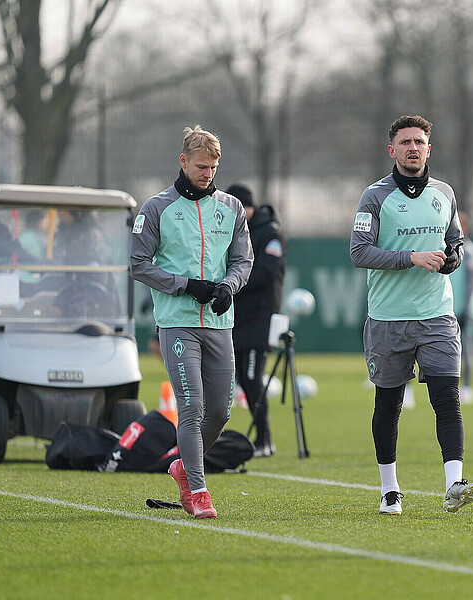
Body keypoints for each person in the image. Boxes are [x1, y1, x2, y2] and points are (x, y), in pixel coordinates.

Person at [350, 115, 473, 516]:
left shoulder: (445, 192)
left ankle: (454, 484)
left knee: (447, 398)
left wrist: (453, 258)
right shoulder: (374, 196)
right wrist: (411, 257)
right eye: (405, 142)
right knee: (388, 404)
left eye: (419, 142)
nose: (413, 148)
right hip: (388, 317)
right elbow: (359, 252)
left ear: (429, 149)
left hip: (438, 315)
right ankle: (390, 489)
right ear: (392, 150)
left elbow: (456, 241)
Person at [131, 125, 253, 519]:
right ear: (183, 161)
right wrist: (185, 286)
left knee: (220, 412)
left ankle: (183, 467)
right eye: (201, 166)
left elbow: (243, 260)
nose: (207, 173)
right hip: (177, 321)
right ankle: (198, 491)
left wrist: (228, 286)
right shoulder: (156, 208)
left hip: (220, 323)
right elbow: (138, 264)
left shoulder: (231, 208)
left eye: (213, 167)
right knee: (192, 406)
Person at [228, 183, 286, 458]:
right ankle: (261, 438)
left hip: (260, 319)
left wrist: (231, 280)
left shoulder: (270, 233)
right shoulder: (238, 231)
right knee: (243, 377)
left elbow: (266, 273)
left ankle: (265, 439)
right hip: (238, 317)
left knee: (252, 378)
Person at [448, 211, 473, 405]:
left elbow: (471, 284)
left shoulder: (470, 252)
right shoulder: (450, 249)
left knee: (466, 347)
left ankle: (467, 387)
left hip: (465, 309)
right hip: (450, 308)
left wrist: (466, 308)